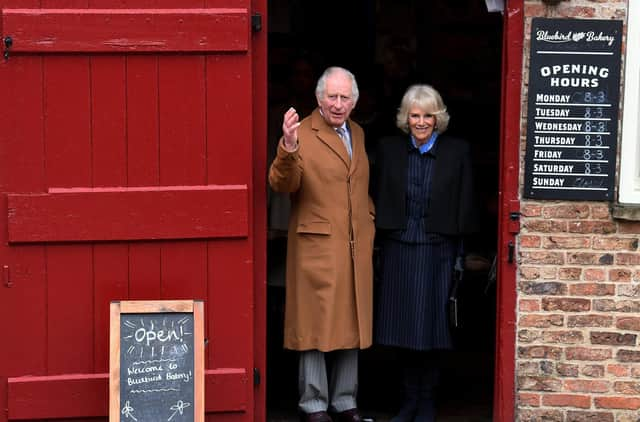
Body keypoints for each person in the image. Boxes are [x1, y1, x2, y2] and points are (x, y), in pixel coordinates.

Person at [269, 67, 376, 422]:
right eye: (332, 96)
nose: (338, 104)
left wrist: (369, 219)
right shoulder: (302, 134)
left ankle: (345, 400)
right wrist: (287, 147)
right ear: (318, 98)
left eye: (345, 97)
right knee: (314, 324)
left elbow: (357, 186)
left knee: (352, 320)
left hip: (353, 245)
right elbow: (284, 183)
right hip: (316, 246)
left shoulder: (357, 134)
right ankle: (313, 402)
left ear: (354, 101)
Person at [371, 84, 478, 422]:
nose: (420, 122)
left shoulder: (457, 152)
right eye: (414, 115)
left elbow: (466, 202)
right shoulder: (388, 150)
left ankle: (427, 402)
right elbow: (373, 194)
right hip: (399, 248)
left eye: (427, 115)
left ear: (438, 118)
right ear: (406, 118)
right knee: (402, 331)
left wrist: (463, 254)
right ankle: (408, 402)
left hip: (439, 251)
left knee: (433, 331)